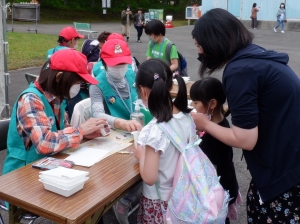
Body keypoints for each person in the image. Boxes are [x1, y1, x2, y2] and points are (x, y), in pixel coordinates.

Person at [191, 8, 300, 223]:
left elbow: (245, 140)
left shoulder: (240, 70)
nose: (199, 51)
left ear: (214, 42)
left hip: (286, 173)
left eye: (199, 45)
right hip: (288, 155)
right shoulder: (254, 56)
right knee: (254, 204)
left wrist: (204, 122)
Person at [2, 49, 107, 175]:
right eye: (77, 83)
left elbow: (62, 129)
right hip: (22, 174)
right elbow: (44, 143)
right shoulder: (30, 99)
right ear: (59, 77)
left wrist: (84, 134)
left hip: (48, 166)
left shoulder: (57, 96)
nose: (78, 88)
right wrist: (80, 130)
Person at [133, 59, 191, 223]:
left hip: (159, 201)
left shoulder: (154, 131)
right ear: (171, 85)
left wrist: (141, 155)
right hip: (181, 194)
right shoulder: (186, 117)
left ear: (143, 92)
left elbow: (150, 178)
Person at [190, 77, 241, 224]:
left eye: (196, 102)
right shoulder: (221, 124)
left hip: (217, 192)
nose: (193, 107)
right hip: (227, 182)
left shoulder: (212, 138)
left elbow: (211, 174)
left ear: (212, 103)